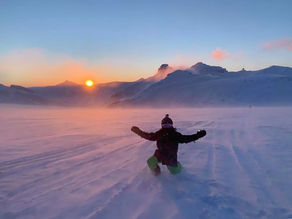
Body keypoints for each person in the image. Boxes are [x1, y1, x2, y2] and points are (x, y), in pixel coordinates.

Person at [131, 114, 206, 175]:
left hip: (171, 156)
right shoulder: (159, 133)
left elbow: (186, 139)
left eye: (168, 125)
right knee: (150, 162)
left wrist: (197, 135)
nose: (166, 127)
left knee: (175, 172)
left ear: (172, 125)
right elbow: (149, 136)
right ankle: (157, 172)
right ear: (162, 126)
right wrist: (138, 131)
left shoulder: (175, 135)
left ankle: (178, 165)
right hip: (160, 154)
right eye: (164, 125)